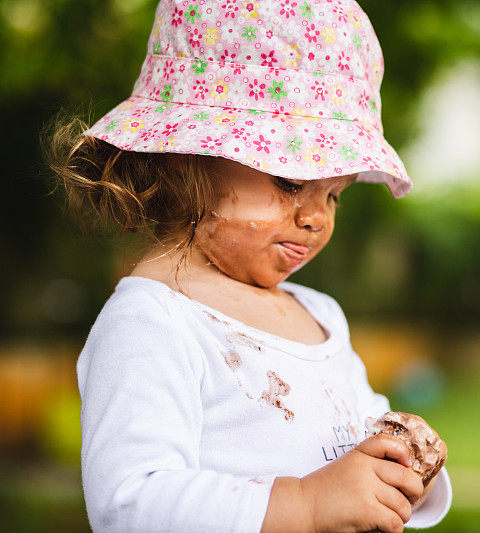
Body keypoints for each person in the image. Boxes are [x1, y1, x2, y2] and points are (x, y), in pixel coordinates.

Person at [43, 1, 452, 531]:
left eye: (334, 196)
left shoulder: (319, 314)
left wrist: (396, 463)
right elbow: (131, 502)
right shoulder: (152, 321)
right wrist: (305, 504)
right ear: (189, 158)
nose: (314, 218)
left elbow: (358, 435)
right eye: (290, 182)